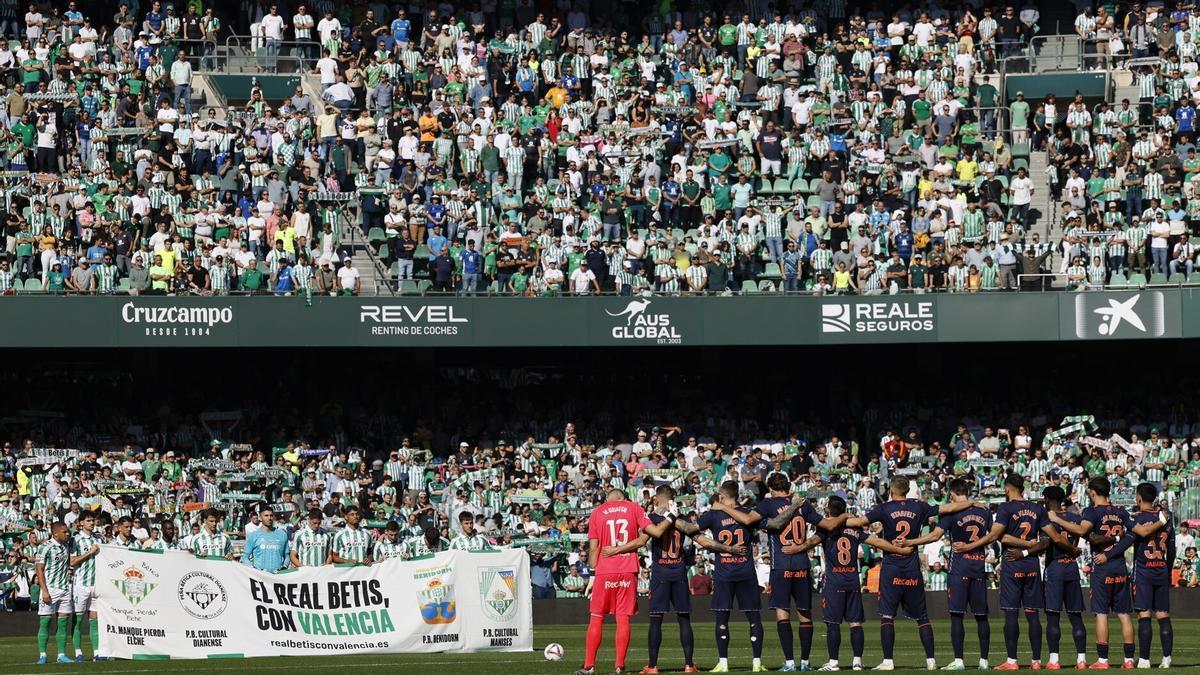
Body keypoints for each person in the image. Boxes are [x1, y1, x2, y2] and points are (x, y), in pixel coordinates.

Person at [709, 473, 848, 671]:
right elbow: (830, 525)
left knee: (783, 613)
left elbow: (748, 520)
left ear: (770, 488)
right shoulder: (803, 504)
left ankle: (790, 662)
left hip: (781, 565)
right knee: (804, 614)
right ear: (788, 485)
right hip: (802, 565)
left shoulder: (768, 505)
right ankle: (806, 662)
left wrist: (722, 506)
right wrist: (844, 515)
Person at [602, 485, 742, 675]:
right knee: (684, 619)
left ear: (657, 499)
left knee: (656, 620)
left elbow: (641, 542)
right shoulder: (682, 520)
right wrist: (730, 549)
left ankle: (652, 666)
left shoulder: (653, 519)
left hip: (660, 573)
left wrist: (615, 550)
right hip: (679, 573)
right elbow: (703, 541)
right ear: (672, 500)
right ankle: (689, 665)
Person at [843, 476, 978, 671]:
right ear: (907, 490)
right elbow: (947, 508)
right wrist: (972, 501)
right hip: (912, 566)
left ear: (891, 489)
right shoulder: (919, 506)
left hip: (891, 565)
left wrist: (839, 519)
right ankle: (931, 661)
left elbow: (860, 522)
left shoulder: (884, 508)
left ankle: (888, 661)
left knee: (887, 615)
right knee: (922, 617)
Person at [1048, 477, 1158, 669]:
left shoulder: (1092, 511)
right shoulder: (1120, 511)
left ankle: (1103, 660)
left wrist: (1056, 519)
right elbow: (1140, 531)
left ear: (1092, 492)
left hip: (1102, 565)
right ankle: (1129, 660)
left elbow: (1082, 530)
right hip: (1120, 567)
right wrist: (1161, 521)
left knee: (1101, 613)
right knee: (1124, 614)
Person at [897, 478, 993, 671]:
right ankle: (984, 662)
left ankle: (959, 661)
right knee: (981, 616)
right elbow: (992, 536)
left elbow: (934, 536)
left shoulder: (952, 511)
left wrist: (911, 542)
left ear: (952, 493)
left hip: (959, 569)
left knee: (957, 616)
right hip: (979, 567)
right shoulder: (984, 511)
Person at [813, 495, 913, 672]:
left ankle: (833, 662)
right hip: (852, 578)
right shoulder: (855, 530)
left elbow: (809, 543)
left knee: (832, 622)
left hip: (834, 579)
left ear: (829, 510)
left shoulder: (824, 529)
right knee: (855, 622)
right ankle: (857, 661)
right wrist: (899, 549)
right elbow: (877, 541)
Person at [674, 481, 765, 673]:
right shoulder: (748, 512)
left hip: (724, 572)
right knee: (754, 617)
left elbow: (690, 529)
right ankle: (757, 663)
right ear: (737, 496)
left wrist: (673, 518)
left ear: (721, 497)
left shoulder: (714, 514)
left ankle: (723, 663)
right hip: (746, 570)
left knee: (722, 618)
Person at [578, 488, 652, 675]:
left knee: (596, 617)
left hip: (604, 569)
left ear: (608, 498)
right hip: (628, 568)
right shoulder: (633, 507)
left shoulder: (597, 512)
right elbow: (648, 530)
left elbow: (593, 548)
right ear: (623, 497)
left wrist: (593, 576)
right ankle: (619, 666)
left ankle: (589, 666)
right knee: (623, 618)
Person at [1039, 486, 1090, 669]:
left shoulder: (1047, 518)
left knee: (1053, 617)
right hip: (1071, 568)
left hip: (1055, 568)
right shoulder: (1075, 518)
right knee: (1076, 617)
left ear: (1048, 499)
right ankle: (1082, 659)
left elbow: (1045, 544)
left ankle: (1054, 660)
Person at [1130, 482, 1173, 669]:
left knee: (1144, 615)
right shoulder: (1166, 517)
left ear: (1139, 497)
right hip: (1161, 568)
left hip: (1144, 569)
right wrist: (1168, 569)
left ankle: (1145, 660)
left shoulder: (1136, 517)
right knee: (1163, 614)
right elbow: (1171, 548)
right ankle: (1166, 658)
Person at [35, 521, 73, 665]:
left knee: (63, 623)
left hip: (64, 589)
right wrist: (44, 591)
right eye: (64, 532)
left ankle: (61, 655)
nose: (67, 534)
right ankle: (43, 655)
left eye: (68, 531)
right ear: (55, 533)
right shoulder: (45, 547)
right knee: (45, 622)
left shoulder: (66, 546)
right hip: (49, 589)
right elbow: (39, 569)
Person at [67, 511, 101, 662]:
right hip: (80, 584)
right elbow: (72, 562)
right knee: (78, 620)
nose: (92, 523)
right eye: (88, 520)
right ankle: (78, 652)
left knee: (95, 619)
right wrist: (89, 552)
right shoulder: (76, 539)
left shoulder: (98, 538)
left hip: (95, 585)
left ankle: (97, 652)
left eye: (93, 520)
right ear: (81, 523)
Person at [241, 504, 289, 573]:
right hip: (260, 578)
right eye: (266, 515)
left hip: (278, 577)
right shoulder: (253, 535)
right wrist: (253, 568)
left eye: (271, 515)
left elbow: (287, 556)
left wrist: (284, 567)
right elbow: (245, 557)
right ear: (260, 518)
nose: (269, 518)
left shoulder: (282, 534)